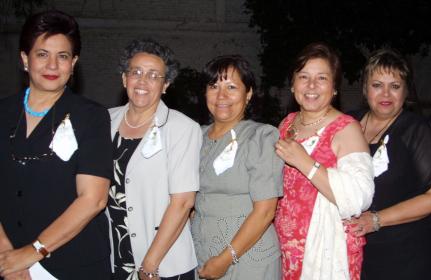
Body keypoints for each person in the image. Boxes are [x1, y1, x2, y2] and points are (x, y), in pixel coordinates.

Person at [0, 10, 113, 279]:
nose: (52, 66)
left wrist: (32, 252)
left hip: (72, 264)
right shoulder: (2, 112)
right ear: (25, 59)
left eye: (62, 56)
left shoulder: (91, 117)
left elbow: (93, 199)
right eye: (42, 54)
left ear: (73, 63)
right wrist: (7, 256)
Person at [274, 42, 375, 280]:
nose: (311, 86)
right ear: (292, 84)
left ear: (335, 87)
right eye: (303, 77)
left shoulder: (346, 128)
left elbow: (360, 196)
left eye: (321, 78)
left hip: (325, 251)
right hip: (284, 248)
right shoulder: (286, 123)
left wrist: (305, 162)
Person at [107, 38, 202, 280]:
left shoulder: (181, 128)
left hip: (162, 263)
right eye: (136, 72)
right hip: (110, 255)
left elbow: (182, 202)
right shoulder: (104, 121)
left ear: (166, 84)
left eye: (153, 75)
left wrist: (150, 264)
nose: (142, 81)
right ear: (124, 78)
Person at [349, 49, 431, 280]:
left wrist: (376, 220)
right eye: (377, 84)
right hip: (355, 253)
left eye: (395, 86)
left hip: (405, 255)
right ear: (365, 89)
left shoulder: (416, 129)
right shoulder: (348, 124)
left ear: (406, 91)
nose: (386, 93)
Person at [191, 55, 284, 280]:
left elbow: (265, 211)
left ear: (248, 93)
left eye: (231, 87)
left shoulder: (260, 136)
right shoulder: (195, 136)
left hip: (247, 258)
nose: (221, 96)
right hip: (201, 254)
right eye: (214, 86)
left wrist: (225, 258)